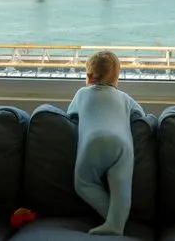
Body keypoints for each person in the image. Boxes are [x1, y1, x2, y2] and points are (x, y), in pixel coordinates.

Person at [67, 51, 145, 236]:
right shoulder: (125, 98)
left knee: (84, 183)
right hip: (122, 143)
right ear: (117, 77)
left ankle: (110, 216)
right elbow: (141, 114)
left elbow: (70, 114)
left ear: (88, 77)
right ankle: (117, 223)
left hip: (94, 141)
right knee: (121, 184)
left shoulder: (82, 93)